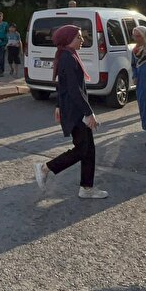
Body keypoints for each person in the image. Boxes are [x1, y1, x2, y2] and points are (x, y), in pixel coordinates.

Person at [33, 24, 107, 199]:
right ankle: (45, 168)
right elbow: (73, 90)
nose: (82, 40)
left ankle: (86, 188)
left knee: (88, 149)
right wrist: (88, 113)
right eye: (78, 37)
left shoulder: (69, 55)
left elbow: (62, 85)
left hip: (72, 108)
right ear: (68, 40)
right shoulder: (67, 57)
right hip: (75, 111)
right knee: (82, 149)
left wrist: (58, 105)